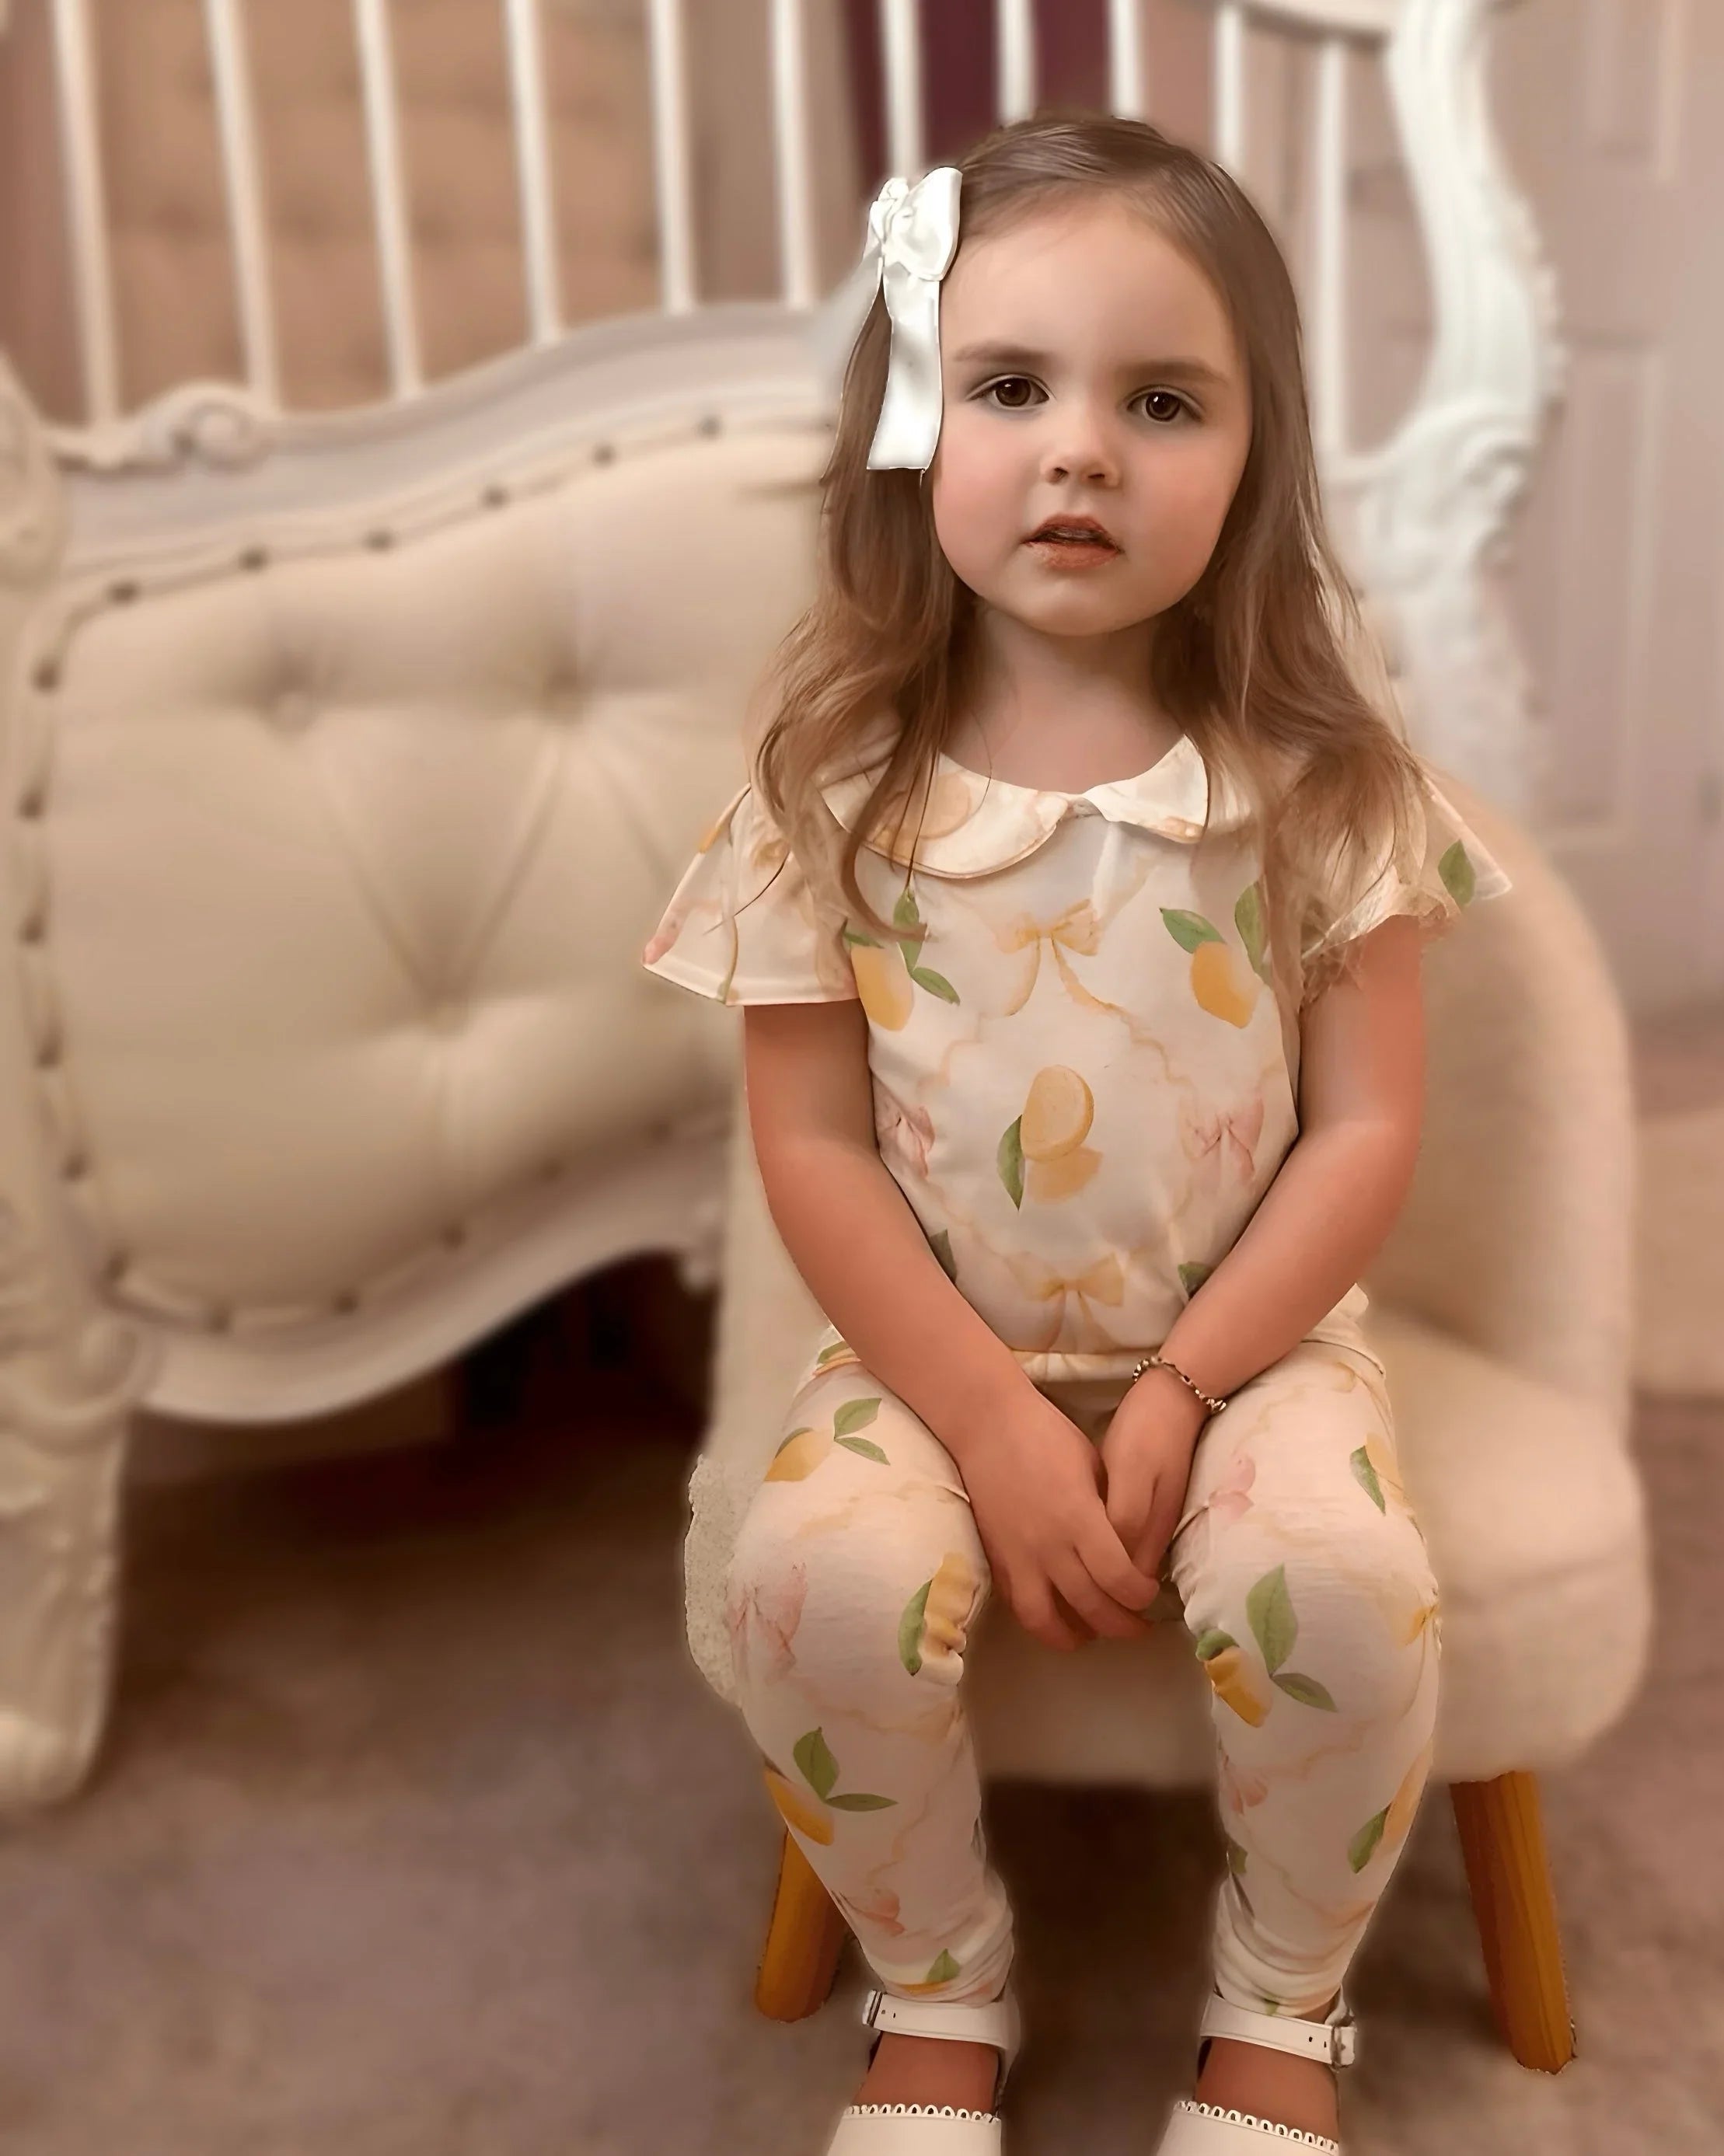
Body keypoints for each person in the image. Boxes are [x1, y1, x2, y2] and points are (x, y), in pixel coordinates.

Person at [641, 111, 1513, 2156]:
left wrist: (1192, 1381)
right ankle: (938, 1980)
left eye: (1163, 400)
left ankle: (1280, 2004)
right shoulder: (822, 791)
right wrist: (995, 1420)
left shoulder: (1321, 786)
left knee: (1341, 1583)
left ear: (1255, 453)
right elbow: (820, 1159)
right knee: (809, 1588)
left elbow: (1362, 1130)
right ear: (904, 427)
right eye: (1007, 386)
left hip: (1260, 1341)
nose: (1080, 448)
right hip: (932, 1355)